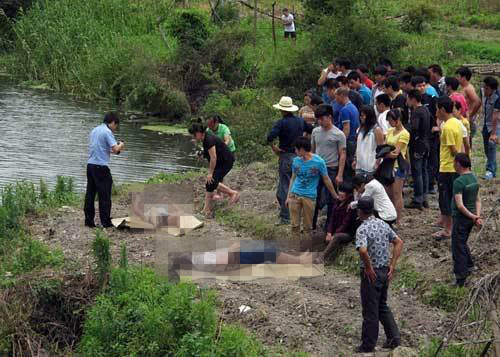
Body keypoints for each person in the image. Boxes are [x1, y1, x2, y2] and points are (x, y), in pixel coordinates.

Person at [354, 195, 403, 353]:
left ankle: (368, 345)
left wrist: (368, 267)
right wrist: (392, 265)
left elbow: (362, 250)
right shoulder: (382, 224)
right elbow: (398, 242)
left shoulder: (362, 228)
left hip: (371, 274)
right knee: (382, 306)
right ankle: (394, 338)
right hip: (384, 271)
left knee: (370, 310)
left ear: (361, 211)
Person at [267, 96, 313, 224]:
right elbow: (312, 130)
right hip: (299, 156)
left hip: (286, 156)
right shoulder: (300, 121)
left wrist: (273, 147)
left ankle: (286, 216)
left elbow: (270, 137)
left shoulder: (281, 123)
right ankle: (299, 213)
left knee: (285, 186)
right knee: (297, 185)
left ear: (281, 110)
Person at [286, 137, 338, 236]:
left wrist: (335, 195)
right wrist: (288, 196)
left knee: (308, 227)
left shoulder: (319, 162)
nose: (295, 151)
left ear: (302, 149)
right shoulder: (296, 161)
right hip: (294, 194)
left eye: (296, 149)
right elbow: (293, 178)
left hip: (309, 196)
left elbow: (326, 179)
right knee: (294, 226)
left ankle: (306, 250)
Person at [189, 122, 239, 218]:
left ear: (199, 132)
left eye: (194, 134)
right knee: (210, 183)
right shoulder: (206, 138)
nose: (193, 137)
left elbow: (213, 157)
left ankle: (233, 193)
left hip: (226, 161)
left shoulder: (208, 139)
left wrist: (210, 173)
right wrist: (202, 154)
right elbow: (210, 151)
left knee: (211, 181)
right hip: (221, 161)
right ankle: (206, 210)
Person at [84, 112, 125, 228]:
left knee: (90, 194)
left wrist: (116, 150)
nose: (115, 128)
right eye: (116, 125)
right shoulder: (107, 132)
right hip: (101, 167)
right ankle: (106, 222)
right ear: (112, 122)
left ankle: (88, 221)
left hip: (90, 165)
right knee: (105, 195)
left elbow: (103, 149)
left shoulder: (95, 130)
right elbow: (116, 149)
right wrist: (121, 144)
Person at [311, 104, 346, 231]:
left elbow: (342, 154)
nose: (320, 122)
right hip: (316, 169)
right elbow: (313, 150)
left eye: (322, 119)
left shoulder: (338, 134)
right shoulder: (315, 131)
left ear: (329, 117)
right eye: (318, 119)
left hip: (331, 168)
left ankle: (329, 228)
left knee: (332, 199)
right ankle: (311, 225)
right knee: (314, 197)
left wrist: (340, 174)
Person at [433, 96, 463, 240]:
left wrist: (461, 161)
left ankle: (447, 230)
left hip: (447, 167)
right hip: (453, 168)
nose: (436, 112)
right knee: (452, 197)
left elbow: (452, 150)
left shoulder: (448, 127)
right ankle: (451, 227)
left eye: (437, 109)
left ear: (443, 109)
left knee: (445, 198)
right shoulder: (456, 123)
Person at [451, 153, 481, 287]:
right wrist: (476, 216)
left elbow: (460, 205)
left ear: (458, 163)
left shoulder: (459, 182)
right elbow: (477, 200)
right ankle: (469, 265)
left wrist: (472, 216)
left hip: (462, 218)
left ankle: (461, 277)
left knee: (458, 246)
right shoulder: (474, 178)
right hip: (471, 217)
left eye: (454, 162)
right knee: (462, 242)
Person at [405, 90, 431, 210]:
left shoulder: (416, 112)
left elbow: (414, 128)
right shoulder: (425, 110)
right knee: (424, 170)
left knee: (417, 172)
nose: (407, 101)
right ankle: (424, 197)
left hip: (417, 145)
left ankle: (418, 198)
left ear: (413, 99)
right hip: (426, 143)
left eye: (408, 99)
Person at [384, 109, 410, 225]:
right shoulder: (390, 131)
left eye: (391, 120)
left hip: (398, 165)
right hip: (388, 165)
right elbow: (384, 145)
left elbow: (397, 151)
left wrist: (385, 153)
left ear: (398, 120)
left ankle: (398, 219)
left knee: (397, 193)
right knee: (388, 193)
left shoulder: (404, 133)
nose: (389, 122)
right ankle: (390, 216)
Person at [324, 182, 359, 261]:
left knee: (337, 237)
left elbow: (345, 224)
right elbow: (331, 218)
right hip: (335, 230)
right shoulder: (337, 201)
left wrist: (334, 234)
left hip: (347, 233)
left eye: (343, 192)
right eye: (340, 191)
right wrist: (329, 232)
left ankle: (322, 258)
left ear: (349, 195)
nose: (340, 193)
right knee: (326, 232)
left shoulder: (351, 206)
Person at [335, 87, 360, 181]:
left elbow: (346, 129)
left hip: (348, 142)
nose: (336, 99)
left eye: (336, 96)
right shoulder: (354, 107)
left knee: (347, 168)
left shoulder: (344, 110)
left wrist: (342, 144)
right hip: (354, 141)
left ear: (341, 95)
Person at [354, 106, 384, 175]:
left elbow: (381, 148)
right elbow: (357, 146)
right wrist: (355, 159)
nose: (361, 118)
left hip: (371, 165)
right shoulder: (360, 129)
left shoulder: (377, 130)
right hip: (360, 164)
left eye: (363, 116)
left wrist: (377, 163)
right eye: (360, 115)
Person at [481, 76, 499, 179]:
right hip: (486, 124)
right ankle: (493, 169)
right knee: (487, 149)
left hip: (496, 125)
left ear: (492, 89)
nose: (484, 89)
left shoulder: (498, 97)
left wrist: (493, 133)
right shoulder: (484, 94)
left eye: (486, 88)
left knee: (492, 144)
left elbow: (495, 115)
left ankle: (490, 170)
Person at [456, 66, 481, 140]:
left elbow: (478, 101)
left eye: (458, 76)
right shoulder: (464, 88)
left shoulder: (468, 88)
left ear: (463, 78)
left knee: (467, 143)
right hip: (464, 119)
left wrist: (470, 115)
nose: (457, 78)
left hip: (468, 120)